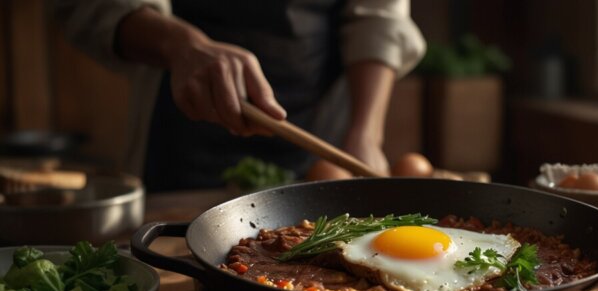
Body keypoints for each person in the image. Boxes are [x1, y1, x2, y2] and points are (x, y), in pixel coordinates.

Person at [51, 0, 426, 191]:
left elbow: (380, 15)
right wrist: (179, 44)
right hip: (178, 134)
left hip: (321, 121)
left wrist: (365, 136)